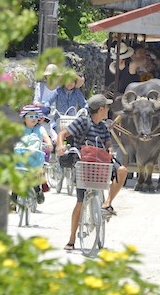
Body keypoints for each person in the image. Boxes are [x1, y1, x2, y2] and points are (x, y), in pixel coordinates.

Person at [56, 94, 128, 251]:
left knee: (122, 170)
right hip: (84, 165)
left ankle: (107, 203)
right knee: (80, 202)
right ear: (101, 109)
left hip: (101, 164)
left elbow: (109, 144)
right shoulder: (83, 122)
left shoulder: (103, 126)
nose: (109, 109)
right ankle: (72, 239)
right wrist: (61, 146)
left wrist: (109, 150)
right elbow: (62, 134)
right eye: (107, 107)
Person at [18, 105, 54, 203]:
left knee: (34, 177)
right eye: (30, 116)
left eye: (36, 116)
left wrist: (49, 143)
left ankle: (38, 191)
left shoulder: (40, 128)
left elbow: (46, 137)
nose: (34, 119)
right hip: (21, 156)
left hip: (35, 157)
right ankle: (13, 202)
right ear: (24, 118)